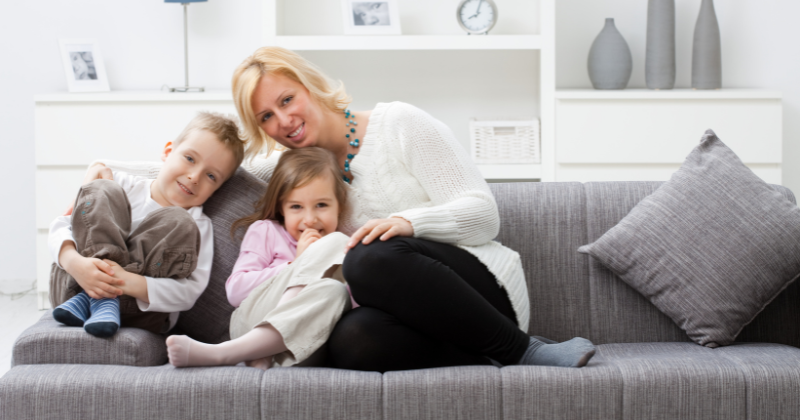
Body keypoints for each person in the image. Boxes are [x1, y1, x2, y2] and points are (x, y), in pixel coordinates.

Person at [230, 46, 597, 372]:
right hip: (415, 320)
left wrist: (407, 222)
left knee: (367, 256)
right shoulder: (295, 171)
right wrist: (176, 175)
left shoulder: (399, 124)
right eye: (265, 117)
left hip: (480, 294)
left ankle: (521, 349)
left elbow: (484, 214)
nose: (283, 121)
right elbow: (227, 172)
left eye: (286, 100)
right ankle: (483, 356)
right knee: (351, 339)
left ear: (309, 86)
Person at [49, 111, 244, 337]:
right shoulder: (121, 184)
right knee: (103, 188)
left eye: (211, 176)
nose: (194, 176)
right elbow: (62, 225)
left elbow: (189, 291)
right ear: (168, 152)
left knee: (178, 221)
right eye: (189, 159)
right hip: (74, 286)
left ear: (217, 189)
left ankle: (101, 301)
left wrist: (122, 282)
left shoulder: (198, 224)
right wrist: (73, 262)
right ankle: (93, 299)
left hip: (136, 313)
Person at [165, 147, 353, 369]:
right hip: (250, 324)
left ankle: (262, 350)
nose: (310, 219)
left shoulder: (344, 251)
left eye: (321, 205)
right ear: (282, 208)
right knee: (336, 242)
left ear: (339, 205)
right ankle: (224, 353)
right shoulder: (267, 231)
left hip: (300, 346)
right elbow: (235, 291)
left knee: (335, 289)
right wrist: (296, 264)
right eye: (296, 207)